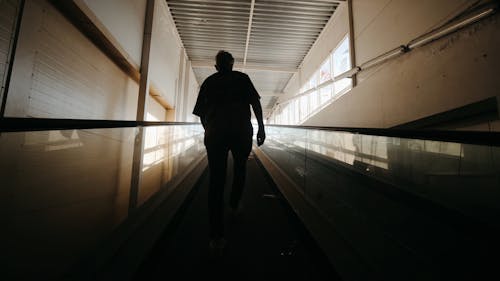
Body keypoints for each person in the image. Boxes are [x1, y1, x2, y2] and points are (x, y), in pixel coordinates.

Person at [193, 50, 266, 253]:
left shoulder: (209, 83)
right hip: (241, 132)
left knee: (216, 180)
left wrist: (209, 128)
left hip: (216, 134)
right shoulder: (242, 79)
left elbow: (200, 113)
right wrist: (261, 127)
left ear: (216, 66)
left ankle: (216, 236)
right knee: (240, 168)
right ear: (232, 64)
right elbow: (255, 103)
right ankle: (234, 205)